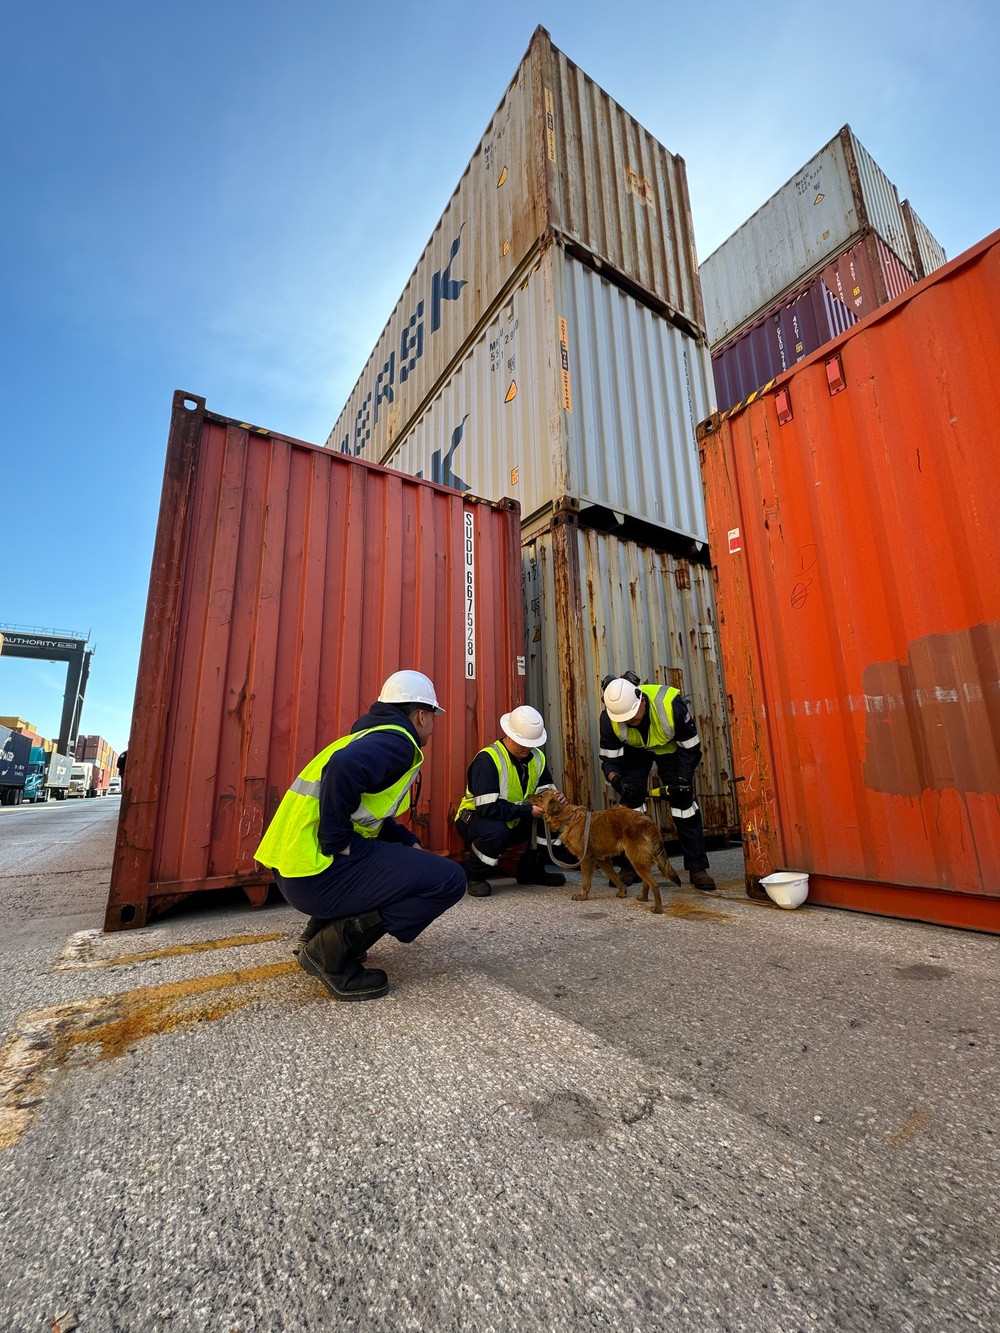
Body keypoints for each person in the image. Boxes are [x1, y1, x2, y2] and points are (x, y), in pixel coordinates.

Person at [254, 670, 467, 1001]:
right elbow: (343, 769)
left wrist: (402, 838)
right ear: (421, 715)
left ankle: (318, 934)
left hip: (295, 869)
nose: (432, 726)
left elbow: (365, 814)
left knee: (399, 856)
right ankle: (331, 953)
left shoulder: (366, 737)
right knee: (450, 879)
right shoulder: (398, 741)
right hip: (316, 874)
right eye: (433, 718)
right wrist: (338, 842)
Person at [599, 676, 716, 891]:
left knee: (684, 806)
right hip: (635, 752)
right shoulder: (610, 717)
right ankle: (629, 867)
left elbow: (690, 748)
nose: (629, 721)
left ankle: (697, 868)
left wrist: (682, 779)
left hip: (670, 749)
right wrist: (618, 780)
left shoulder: (671, 705)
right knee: (630, 806)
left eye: (633, 716)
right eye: (624, 719)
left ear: (641, 700)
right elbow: (609, 760)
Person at [455, 705, 566, 897]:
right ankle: (474, 876)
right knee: (496, 832)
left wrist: (556, 799)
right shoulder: (488, 760)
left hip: (513, 817)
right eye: (522, 742)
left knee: (554, 820)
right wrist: (527, 811)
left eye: (530, 743)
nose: (526, 748)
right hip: (474, 819)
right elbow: (487, 808)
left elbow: (545, 790)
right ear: (508, 735)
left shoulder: (537, 757)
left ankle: (531, 871)